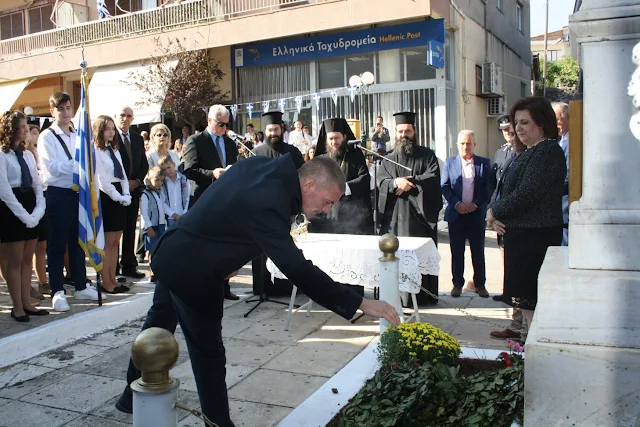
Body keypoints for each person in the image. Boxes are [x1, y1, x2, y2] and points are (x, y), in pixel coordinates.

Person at [114, 155, 400, 425]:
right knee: (208, 355)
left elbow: (226, 208)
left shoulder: (263, 168)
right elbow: (297, 269)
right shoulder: (271, 200)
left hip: (175, 250)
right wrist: (360, 302)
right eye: (327, 202)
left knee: (158, 322)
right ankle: (218, 424)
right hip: (192, 270)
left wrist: (225, 253)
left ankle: (130, 396)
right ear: (309, 184)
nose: (326, 211)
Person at [486, 96, 565, 335]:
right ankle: (527, 342)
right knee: (526, 302)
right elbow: (510, 191)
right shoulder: (531, 151)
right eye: (516, 123)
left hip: (535, 238)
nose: (518, 128)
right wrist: (496, 215)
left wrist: (494, 212)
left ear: (541, 124)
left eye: (524, 122)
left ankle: (532, 345)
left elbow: (527, 194)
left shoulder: (547, 151)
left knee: (532, 299)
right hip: (523, 236)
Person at [39, 92, 101, 311]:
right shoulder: (47, 136)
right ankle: (57, 290)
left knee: (78, 241)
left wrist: (84, 163)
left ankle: (81, 284)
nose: (65, 113)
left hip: (78, 194)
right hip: (58, 193)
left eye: (68, 108)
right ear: (52, 111)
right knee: (57, 244)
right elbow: (53, 168)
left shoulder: (77, 134)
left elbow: (89, 161)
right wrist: (78, 164)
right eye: (60, 109)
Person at [377, 112, 443, 305]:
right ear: (395, 133)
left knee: (419, 259)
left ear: (414, 132)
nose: (403, 135)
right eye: (400, 131)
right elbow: (381, 181)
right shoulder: (388, 158)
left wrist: (410, 182)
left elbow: (432, 177)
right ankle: (395, 296)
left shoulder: (427, 155)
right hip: (394, 220)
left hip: (420, 220)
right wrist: (395, 183)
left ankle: (423, 297)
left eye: (407, 131)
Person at [182, 104, 238, 300]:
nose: (224, 128)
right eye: (220, 124)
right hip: (204, 198)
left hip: (226, 200)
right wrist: (212, 173)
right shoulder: (196, 141)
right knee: (204, 245)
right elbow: (189, 169)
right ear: (209, 120)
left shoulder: (230, 143)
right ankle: (205, 286)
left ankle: (224, 287)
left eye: (226, 125)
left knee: (225, 244)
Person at [0, 111, 48, 321]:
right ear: (9, 130)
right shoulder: (2, 155)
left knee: (28, 258)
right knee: (16, 260)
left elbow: (37, 183)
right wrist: (25, 217)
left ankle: (27, 303)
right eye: (20, 127)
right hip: (12, 209)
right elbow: (5, 191)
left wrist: (38, 210)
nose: (24, 131)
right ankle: (17, 306)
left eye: (25, 127)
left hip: (30, 205)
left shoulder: (27, 154)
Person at [250, 112, 304, 296]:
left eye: (276, 129)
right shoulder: (256, 153)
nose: (273, 133)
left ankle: (287, 287)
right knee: (262, 249)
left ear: (281, 129)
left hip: (286, 209)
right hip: (262, 210)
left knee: (286, 247)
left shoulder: (293, 152)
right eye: (270, 130)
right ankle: (262, 288)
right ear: (265, 131)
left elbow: (301, 178)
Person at [441, 130, 491, 299]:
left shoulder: (484, 163)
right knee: (457, 252)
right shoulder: (449, 163)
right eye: (462, 143)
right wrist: (457, 204)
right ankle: (457, 284)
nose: (465, 147)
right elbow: (445, 186)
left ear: (474, 145)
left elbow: (488, 188)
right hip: (456, 215)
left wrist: (475, 204)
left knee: (478, 252)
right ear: (457, 145)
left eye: (468, 143)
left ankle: (480, 284)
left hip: (476, 214)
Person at [490, 129, 527, 341]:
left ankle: (523, 329)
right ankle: (516, 325)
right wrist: (493, 216)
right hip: (506, 228)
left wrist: (496, 213)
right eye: (511, 134)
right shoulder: (511, 159)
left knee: (523, 282)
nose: (514, 138)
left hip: (522, 231)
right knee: (513, 279)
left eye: (517, 133)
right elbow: (499, 191)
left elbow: (521, 197)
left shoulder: (531, 160)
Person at [312, 117, 372, 235]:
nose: (334, 142)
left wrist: (344, 188)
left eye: (337, 138)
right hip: (328, 215)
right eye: (331, 139)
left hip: (352, 214)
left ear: (344, 137)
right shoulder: (320, 160)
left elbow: (364, 178)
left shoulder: (356, 156)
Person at [94, 115, 131, 294]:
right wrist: (118, 197)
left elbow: (122, 174)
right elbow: (102, 180)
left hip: (119, 195)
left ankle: (113, 279)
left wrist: (126, 193)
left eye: (112, 129)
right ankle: (106, 281)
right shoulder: (96, 150)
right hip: (107, 196)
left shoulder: (114, 149)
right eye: (107, 129)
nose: (111, 132)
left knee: (116, 241)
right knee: (107, 242)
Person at [115, 106, 149, 279]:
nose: (125, 118)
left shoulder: (137, 138)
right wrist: (123, 183)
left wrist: (136, 182)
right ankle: (112, 268)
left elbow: (144, 163)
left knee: (130, 229)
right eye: (122, 115)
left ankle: (129, 265)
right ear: (115, 116)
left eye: (129, 116)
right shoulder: (110, 136)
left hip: (133, 190)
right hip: (114, 192)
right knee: (115, 232)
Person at [26, 125, 47, 300]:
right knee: (25, 250)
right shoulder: (21, 154)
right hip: (25, 201)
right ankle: (26, 287)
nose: (33, 135)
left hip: (41, 200)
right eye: (31, 132)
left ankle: (42, 281)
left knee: (41, 244)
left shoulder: (37, 153)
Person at [141, 167, 166, 283]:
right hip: (151, 226)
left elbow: (163, 206)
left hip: (161, 224)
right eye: (157, 180)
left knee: (159, 248)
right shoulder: (145, 195)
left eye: (161, 180)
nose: (159, 183)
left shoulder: (160, 193)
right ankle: (152, 272)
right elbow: (144, 212)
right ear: (149, 179)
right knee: (152, 250)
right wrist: (148, 226)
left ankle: (158, 270)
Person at [552, 102, 570, 246]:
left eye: (558, 119)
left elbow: (568, 174)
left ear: (568, 117)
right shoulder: (561, 140)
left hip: (565, 198)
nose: (556, 124)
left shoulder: (570, 142)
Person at [159, 155, 190, 229]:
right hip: (169, 217)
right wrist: (173, 214)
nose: (167, 171)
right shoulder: (163, 183)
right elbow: (162, 201)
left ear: (174, 164)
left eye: (169, 167)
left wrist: (184, 213)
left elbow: (187, 197)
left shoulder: (183, 179)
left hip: (183, 215)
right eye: (164, 169)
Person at [491, 115, 515, 194]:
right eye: (504, 130)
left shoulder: (522, 150)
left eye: (508, 129)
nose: (507, 132)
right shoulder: (500, 152)